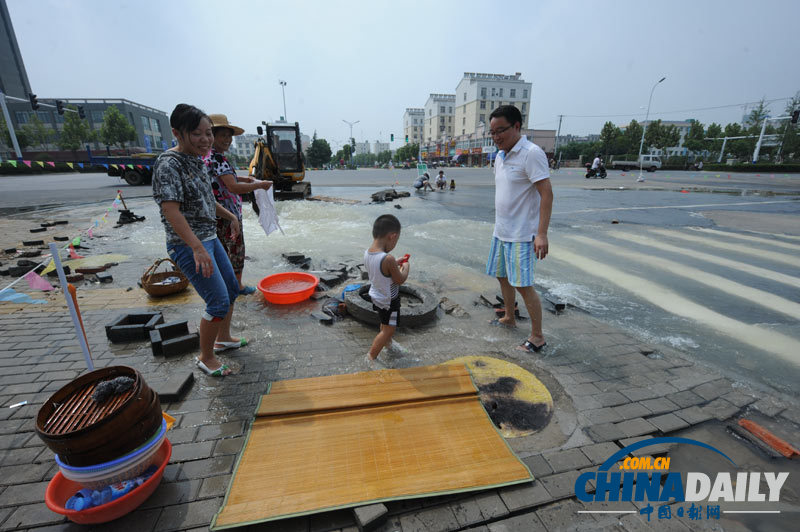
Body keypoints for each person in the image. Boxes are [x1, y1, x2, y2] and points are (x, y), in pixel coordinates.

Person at [152, 104, 243, 377]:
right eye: (197, 134)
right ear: (177, 133)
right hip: (188, 245)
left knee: (231, 289)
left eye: (208, 134)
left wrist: (230, 216)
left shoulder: (198, 159)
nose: (206, 140)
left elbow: (207, 199)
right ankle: (206, 357)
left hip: (210, 239)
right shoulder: (169, 164)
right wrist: (196, 248)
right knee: (216, 301)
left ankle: (223, 338)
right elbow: (171, 210)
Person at [486, 105, 553, 353]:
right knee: (502, 276)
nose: (496, 137)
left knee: (524, 284)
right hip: (501, 231)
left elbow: (546, 194)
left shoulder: (531, 153)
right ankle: (510, 317)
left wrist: (542, 234)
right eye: (492, 133)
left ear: (516, 126)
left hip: (522, 234)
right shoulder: (501, 156)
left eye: (500, 131)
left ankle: (537, 337)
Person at [205, 114, 273, 296]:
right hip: (228, 215)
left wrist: (246, 178)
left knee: (222, 251)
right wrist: (259, 185)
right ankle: (237, 286)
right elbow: (233, 187)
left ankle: (225, 286)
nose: (227, 140)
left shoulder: (210, 157)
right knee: (236, 250)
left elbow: (224, 178)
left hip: (216, 214)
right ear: (211, 136)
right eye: (223, 136)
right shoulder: (218, 158)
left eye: (229, 136)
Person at [364, 214, 410, 368]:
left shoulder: (368, 252)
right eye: (395, 242)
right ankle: (371, 357)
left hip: (377, 297)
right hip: (390, 301)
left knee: (384, 324)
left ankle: (388, 344)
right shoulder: (388, 259)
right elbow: (400, 279)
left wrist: (395, 263)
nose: (394, 244)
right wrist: (406, 268)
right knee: (388, 330)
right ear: (392, 236)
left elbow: (380, 270)